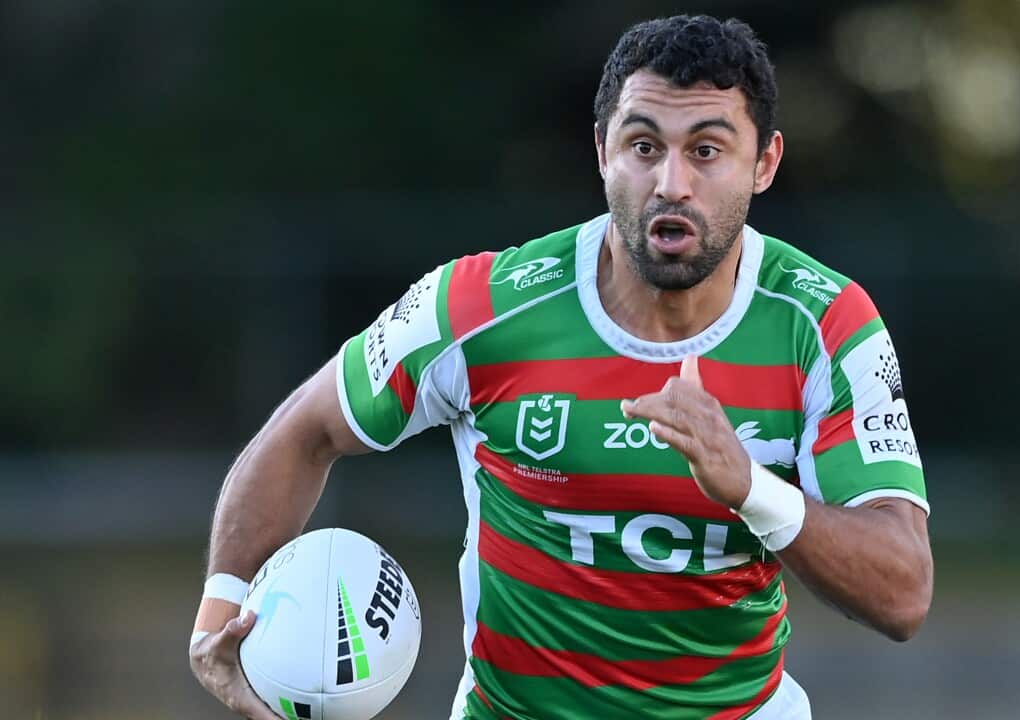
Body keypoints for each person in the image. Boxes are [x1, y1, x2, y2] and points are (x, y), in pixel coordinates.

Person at [189, 14, 933, 719]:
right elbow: (307, 430)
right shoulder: (479, 307)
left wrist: (750, 490)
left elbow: (903, 593)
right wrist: (218, 618)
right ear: (603, 149)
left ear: (764, 162)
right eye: (644, 146)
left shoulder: (825, 324)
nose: (672, 182)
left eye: (706, 150)